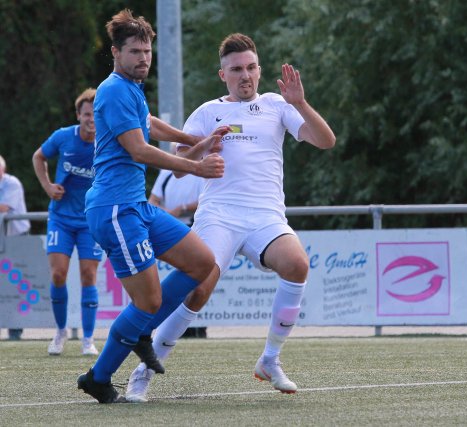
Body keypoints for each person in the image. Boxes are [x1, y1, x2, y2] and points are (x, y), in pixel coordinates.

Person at [125, 32, 335, 402]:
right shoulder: (207, 112)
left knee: (297, 265)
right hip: (219, 216)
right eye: (236, 69)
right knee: (197, 289)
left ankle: (269, 360)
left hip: (265, 217)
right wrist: (203, 155)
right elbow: (177, 168)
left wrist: (301, 104)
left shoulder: (277, 104)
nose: (245, 75)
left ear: (259, 69)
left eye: (251, 67)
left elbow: (326, 140)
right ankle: (143, 370)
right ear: (223, 75)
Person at [76, 9, 227, 404]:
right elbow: (139, 148)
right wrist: (196, 164)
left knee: (202, 264)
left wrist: (194, 136)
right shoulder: (111, 89)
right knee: (149, 301)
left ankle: (138, 330)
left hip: (136, 206)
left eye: (147, 51)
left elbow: (150, 125)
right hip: (115, 210)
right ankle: (99, 376)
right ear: (115, 52)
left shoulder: (132, 89)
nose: (144, 58)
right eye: (135, 51)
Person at [32, 88, 102, 356]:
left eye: (95, 113)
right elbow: (38, 156)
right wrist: (48, 186)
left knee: (89, 276)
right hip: (61, 218)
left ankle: (88, 339)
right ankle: (60, 332)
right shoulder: (64, 137)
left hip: (89, 220)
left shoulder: (107, 141)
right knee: (58, 274)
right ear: (78, 115)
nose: (91, 119)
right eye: (86, 114)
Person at [149, 162, 208, 339]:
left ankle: (195, 326)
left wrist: (181, 209)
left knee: (197, 277)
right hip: (167, 230)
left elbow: (209, 200)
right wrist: (164, 214)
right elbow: (152, 200)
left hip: (194, 226)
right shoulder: (166, 169)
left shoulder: (201, 167)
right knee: (182, 277)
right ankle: (160, 325)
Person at [0, 155, 31, 340]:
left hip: (17, 239)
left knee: (16, 282)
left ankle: (15, 329)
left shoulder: (12, 183)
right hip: (2, 238)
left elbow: (4, 207)